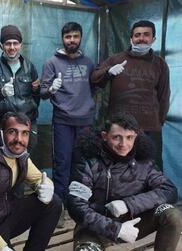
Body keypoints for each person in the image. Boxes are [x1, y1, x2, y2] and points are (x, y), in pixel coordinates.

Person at [67, 112, 181, 251]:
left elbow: (169, 190)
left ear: (135, 138)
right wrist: (115, 229)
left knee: (172, 215)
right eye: (116, 137)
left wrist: (128, 204)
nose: (123, 144)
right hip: (96, 226)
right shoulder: (88, 161)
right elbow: (76, 205)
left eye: (129, 138)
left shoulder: (143, 162)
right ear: (104, 136)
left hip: (134, 222)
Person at [0, 112, 62, 251]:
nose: (19, 139)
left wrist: (47, 187)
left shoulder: (20, 155)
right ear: (1, 133)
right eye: (12, 132)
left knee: (53, 202)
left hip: (6, 218)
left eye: (25, 133)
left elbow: (39, 179)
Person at [90, 20, 170, 169]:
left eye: (146, 35)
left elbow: (164, 96)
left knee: (149, 168)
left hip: (149, 128)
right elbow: (94, 78)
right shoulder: (116, 59)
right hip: (120, 128)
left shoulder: (160, 64)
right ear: (131, 39)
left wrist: (159, 121)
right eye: (137, 35)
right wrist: (108, 71)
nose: (141, 38)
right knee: (118, 167)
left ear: (153, 39)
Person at [40, 22, 95, 223]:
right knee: (62, 164)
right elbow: (43, 92)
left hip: (85, 122)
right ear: (62, 38)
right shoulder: (51, 63)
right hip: (63, 121)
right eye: (68, 37)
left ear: (80, 38)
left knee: (81, 165)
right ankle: (60, 208)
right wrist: (51, 89)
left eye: (75, 36)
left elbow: (95, 88)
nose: (72, 40)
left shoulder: (89, 63)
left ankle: (78, 207)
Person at [0, 25, 40, 152]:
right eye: (8, 44)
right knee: (2, 162)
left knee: (26, 161)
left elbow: (36, 97)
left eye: (15, 43)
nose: (12, 48)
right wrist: (1, 92)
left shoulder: (29, 67)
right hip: (2, 124)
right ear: (1, 46)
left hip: (27, 123)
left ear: (21, 45)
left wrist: (37, 89)